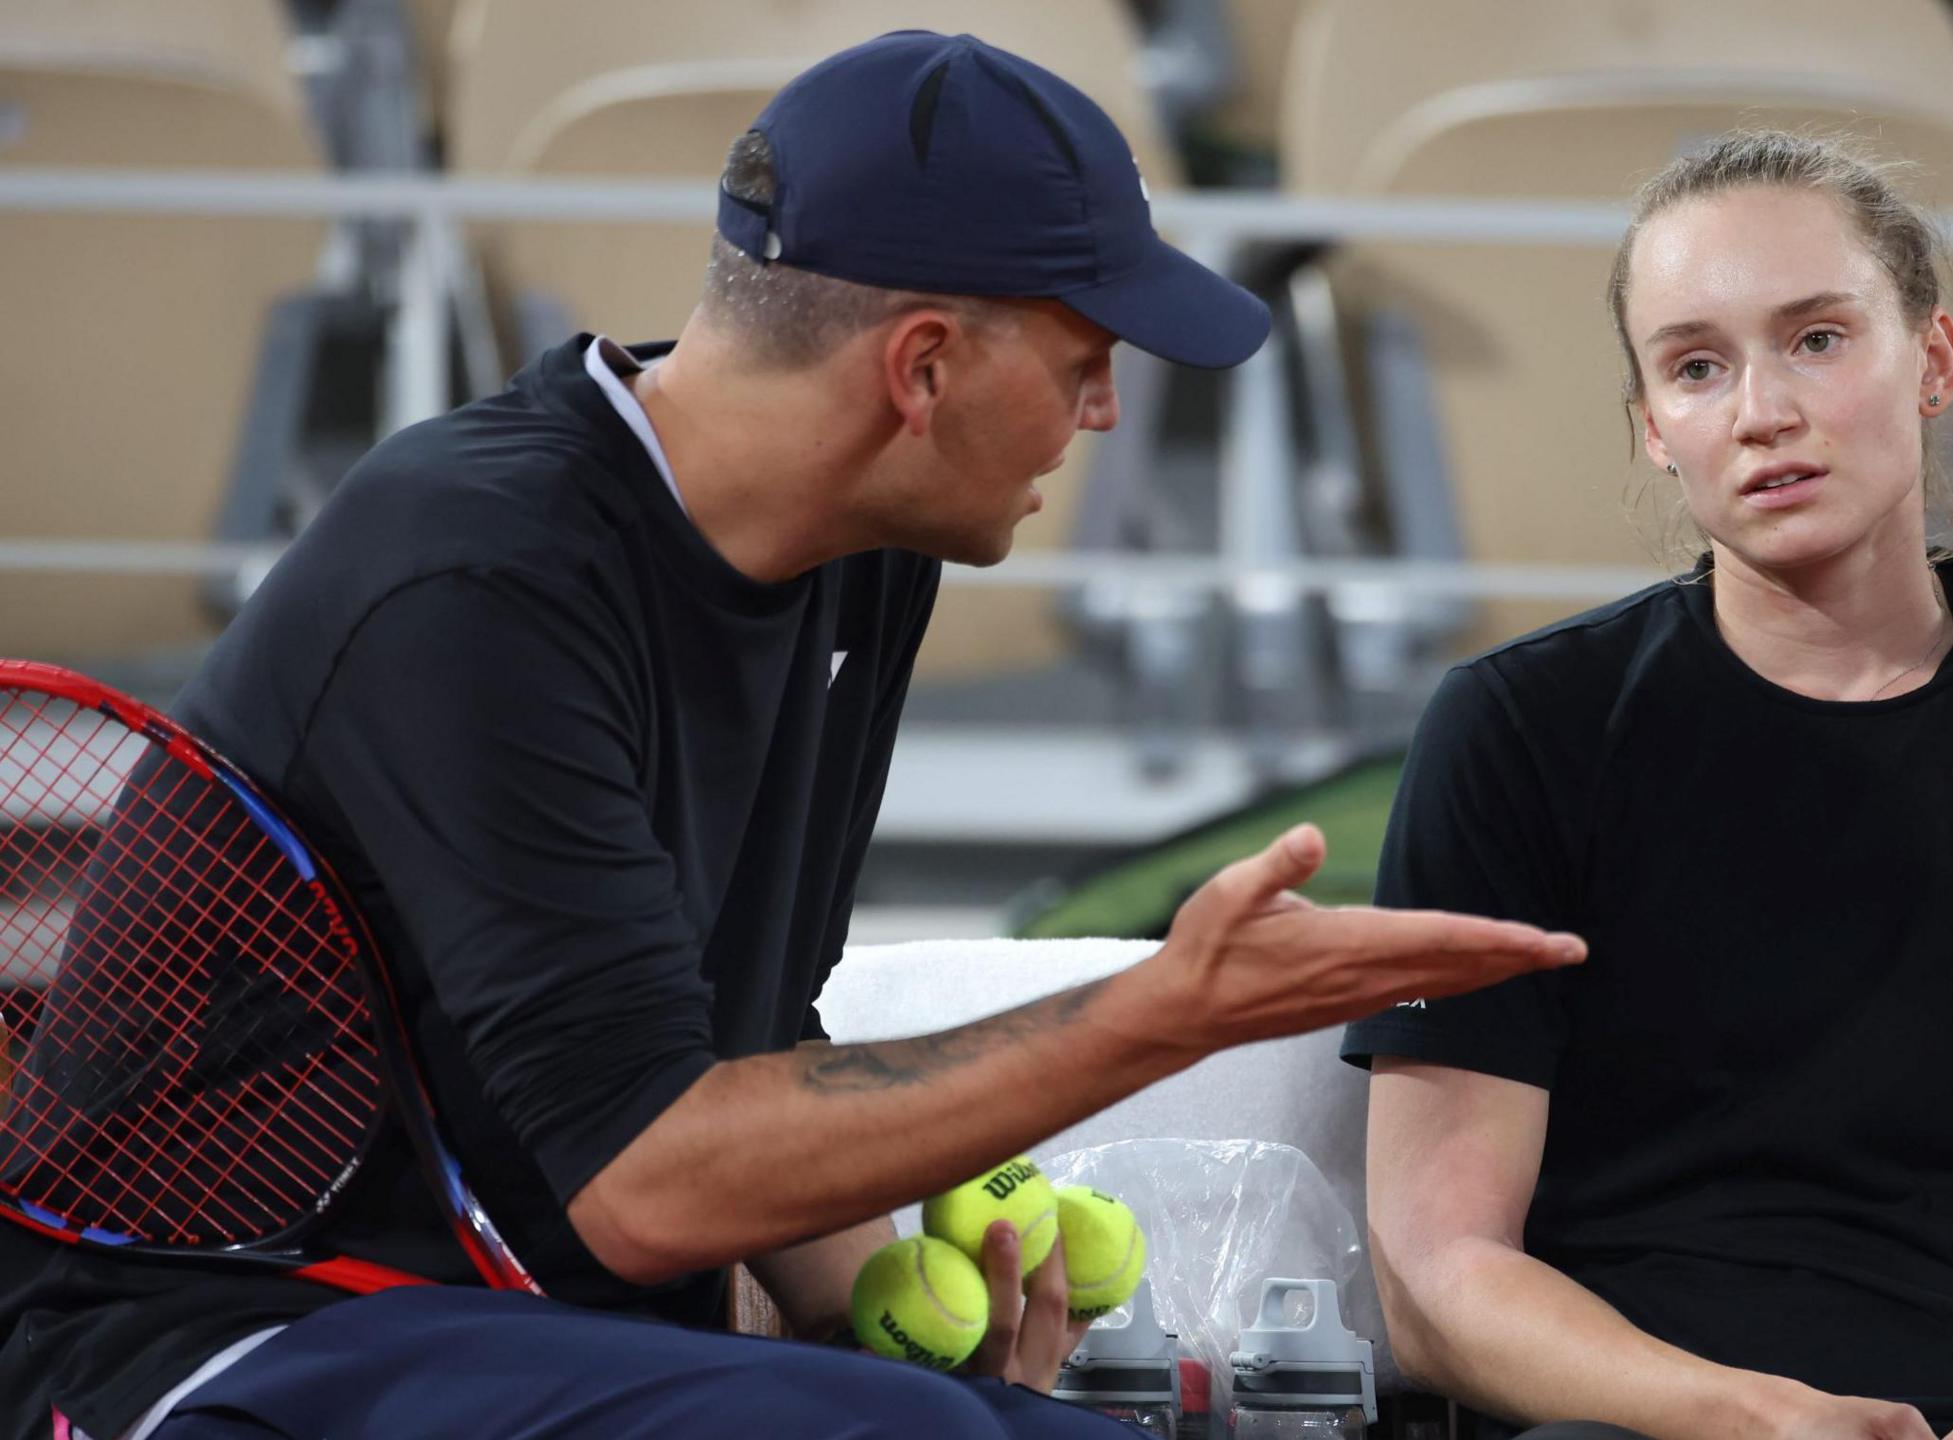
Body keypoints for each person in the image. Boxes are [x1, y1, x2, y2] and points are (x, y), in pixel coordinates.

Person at [2, 31, 1585, 1440]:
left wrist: (856, 1318)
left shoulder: (866, 548)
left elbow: (750, 1042)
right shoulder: (471, 573)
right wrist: (1161, 1013)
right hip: (221, 1346)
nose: (1105, 415)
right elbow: (654, 1183)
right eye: (1087, 359)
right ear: (922, 368)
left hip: (525, 1337)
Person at [1340, 133, 1953, 1440]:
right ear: (1652, 429)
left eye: (1818, 338)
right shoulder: (1519, 728)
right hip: (1649, 1422)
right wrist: (1743, 1419)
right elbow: (1437, 1274)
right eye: (1697, 366)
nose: (1762, 411)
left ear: (1933, 360)